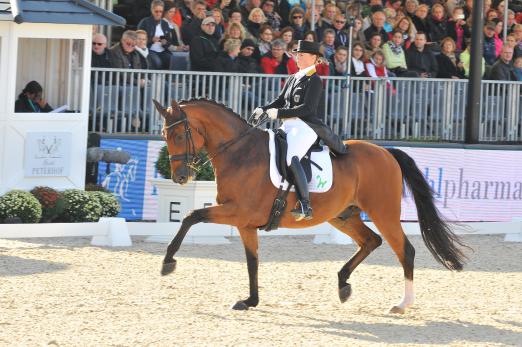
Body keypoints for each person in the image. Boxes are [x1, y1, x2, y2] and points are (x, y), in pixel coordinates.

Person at [252, 40, 347, 221]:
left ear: (314, 58)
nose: (298, 58)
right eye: (297, 55)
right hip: (288, 125)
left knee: (291, 156)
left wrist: (278, 113)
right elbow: (280, 100)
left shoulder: (315, 80)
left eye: (302, 55)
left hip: (306, 127)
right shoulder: (293, 77)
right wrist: (263, 109)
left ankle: (305, 203)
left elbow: (307, 109)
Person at [137, 0, 176, 70]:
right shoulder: (145, 22)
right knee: (157, 62)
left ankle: (165, 79)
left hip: (163, 50)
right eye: (156, 11)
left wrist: (165, 42)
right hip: (149, 50)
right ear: (152, 10)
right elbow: (137, 40)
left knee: (171, 60)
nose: (158, 13)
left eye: (160, 11)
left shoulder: (165, 23)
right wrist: (152, 40)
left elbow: (169, 41)